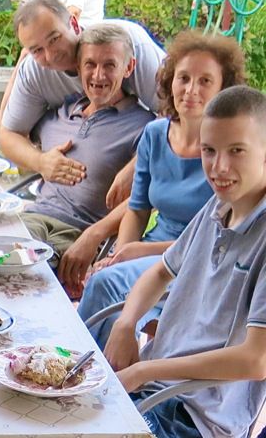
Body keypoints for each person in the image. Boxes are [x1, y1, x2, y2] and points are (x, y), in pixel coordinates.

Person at [104, 85, 266, 438]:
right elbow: (162, 270)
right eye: (209, 151)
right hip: (152, 394)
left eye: (236, 151)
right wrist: (126, 324)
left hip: (193, 419)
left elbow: (256, 360)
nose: (219, 168)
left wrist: (146, 370)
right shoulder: (217, 207)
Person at [78, 31, 247, 348]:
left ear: (224, 90)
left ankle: (72, 371)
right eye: (184, 77)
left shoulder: (228, 156)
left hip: (198, 266)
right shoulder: (155, 135)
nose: (191, 90)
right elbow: (137, 210)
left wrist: (135, 253)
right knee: (108, 294)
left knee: (104, 285)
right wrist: (120, 255)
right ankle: (95, 381)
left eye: (205, 81)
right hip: (150, 257)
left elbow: (218, 243)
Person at [18, 23, 154, 296]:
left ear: (128, 68)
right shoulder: (61, 111)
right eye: (90, 64)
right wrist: (22, 64)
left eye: (110, 65)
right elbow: (9, 129)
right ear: (78, 68)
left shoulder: (144, 126)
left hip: (76, 232)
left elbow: (145, 198)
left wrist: (94, 236)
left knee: (22, 269)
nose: (98, 75)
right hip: (32, 218)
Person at [0, 0, 165, 207]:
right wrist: (40, 162)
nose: (50, 55)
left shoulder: (127, 46)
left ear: (74, 23)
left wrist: (137, 168)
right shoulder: (34, 71)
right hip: (48, 205)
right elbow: (8, 133)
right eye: (37, 50)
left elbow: (180, 115)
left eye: (54, 39)